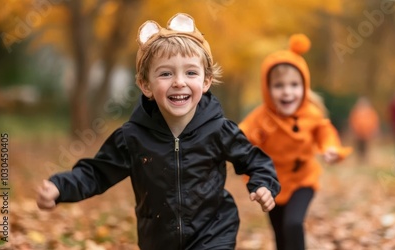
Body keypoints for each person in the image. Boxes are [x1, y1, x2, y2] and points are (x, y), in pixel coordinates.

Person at [36, 13, 280, 249]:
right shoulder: (132, 137)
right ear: (145, 85)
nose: (179, 82)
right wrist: (61, 187)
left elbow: (255, 160)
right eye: (165, 73)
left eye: (191, 72)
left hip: (214, 232)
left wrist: (263, 184)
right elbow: (97, 173)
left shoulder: (219, 129)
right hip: (158, 239)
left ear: (206, 82)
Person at [239, 34, 351, 250]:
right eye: (279, 86)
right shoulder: (261, 118)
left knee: (292, 224)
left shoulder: (311, 113)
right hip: (271, 182)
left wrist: (331, 148)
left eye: (294, 85)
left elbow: (324, 131)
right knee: (280, 231)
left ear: (304, 87)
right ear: (267, 89)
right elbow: (239, 137)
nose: (287, 92)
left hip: (303, 179)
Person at [348, 97, 379, 163]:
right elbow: (352, 121)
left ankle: (365, 159)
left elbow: (374, 122)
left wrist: (373, 130)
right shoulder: (356, 112)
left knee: (366, 147)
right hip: (358, 133)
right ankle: (360, 159)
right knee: (359, 147)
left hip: (367, 133)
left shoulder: (370, 112)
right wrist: (354, 130)